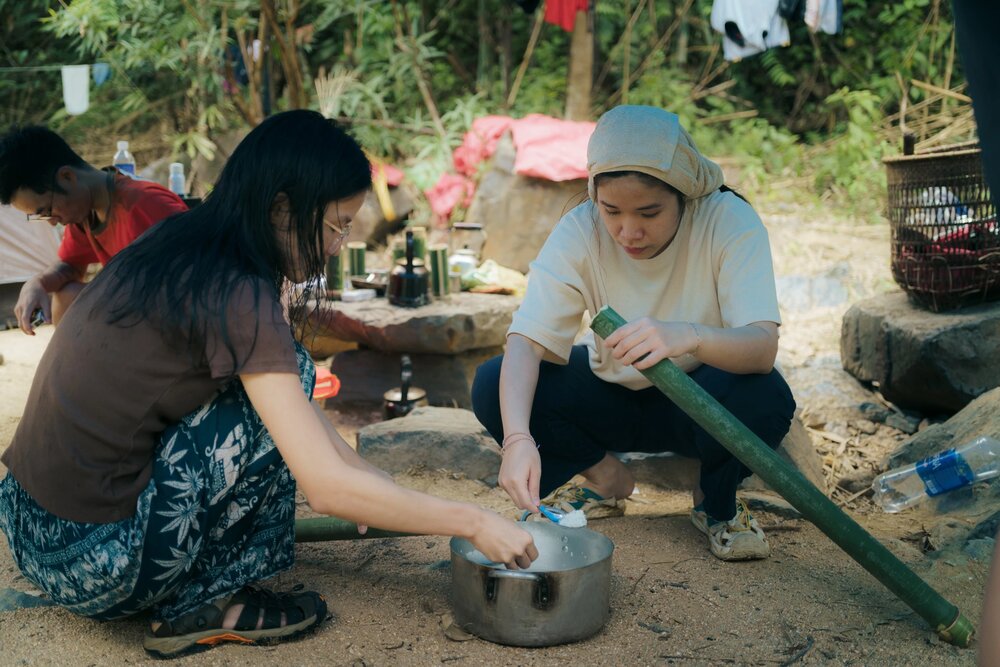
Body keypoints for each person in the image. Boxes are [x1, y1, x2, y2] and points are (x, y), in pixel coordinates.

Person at [0, 110, 536, 658]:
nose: (337, 246)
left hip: (29, 527)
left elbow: (319, 450)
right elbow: (323, 483)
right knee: (289, 376)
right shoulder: (238, 293)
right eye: (337, 226)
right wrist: (473, 521)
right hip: (94, 565)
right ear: (282, 208)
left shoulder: (183, 237)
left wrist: (380, 493)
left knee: (284, 376)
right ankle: (206, 601)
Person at [472, 105, 795, 562]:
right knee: (493, 381)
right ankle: (607, 480)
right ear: (593, 196)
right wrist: (517, 439)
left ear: (683, 193)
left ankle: (714, 502)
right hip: (613, 399)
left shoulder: (727, 219)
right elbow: (526, 341)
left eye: (649, 212)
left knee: (766, 397)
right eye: (611, 210)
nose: (629, 230)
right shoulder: (580, 230)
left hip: (700, 400)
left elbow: (762, 346)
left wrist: (688, 336)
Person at [0, 125, 187, 335]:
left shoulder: (147, 206)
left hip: (170, 323)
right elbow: (71, 265)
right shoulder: (85, 213)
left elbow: (188, 287)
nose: (52, 222)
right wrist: (37, 283)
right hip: (139, 315)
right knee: (66, 295)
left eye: (47, 210)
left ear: (67, 177)